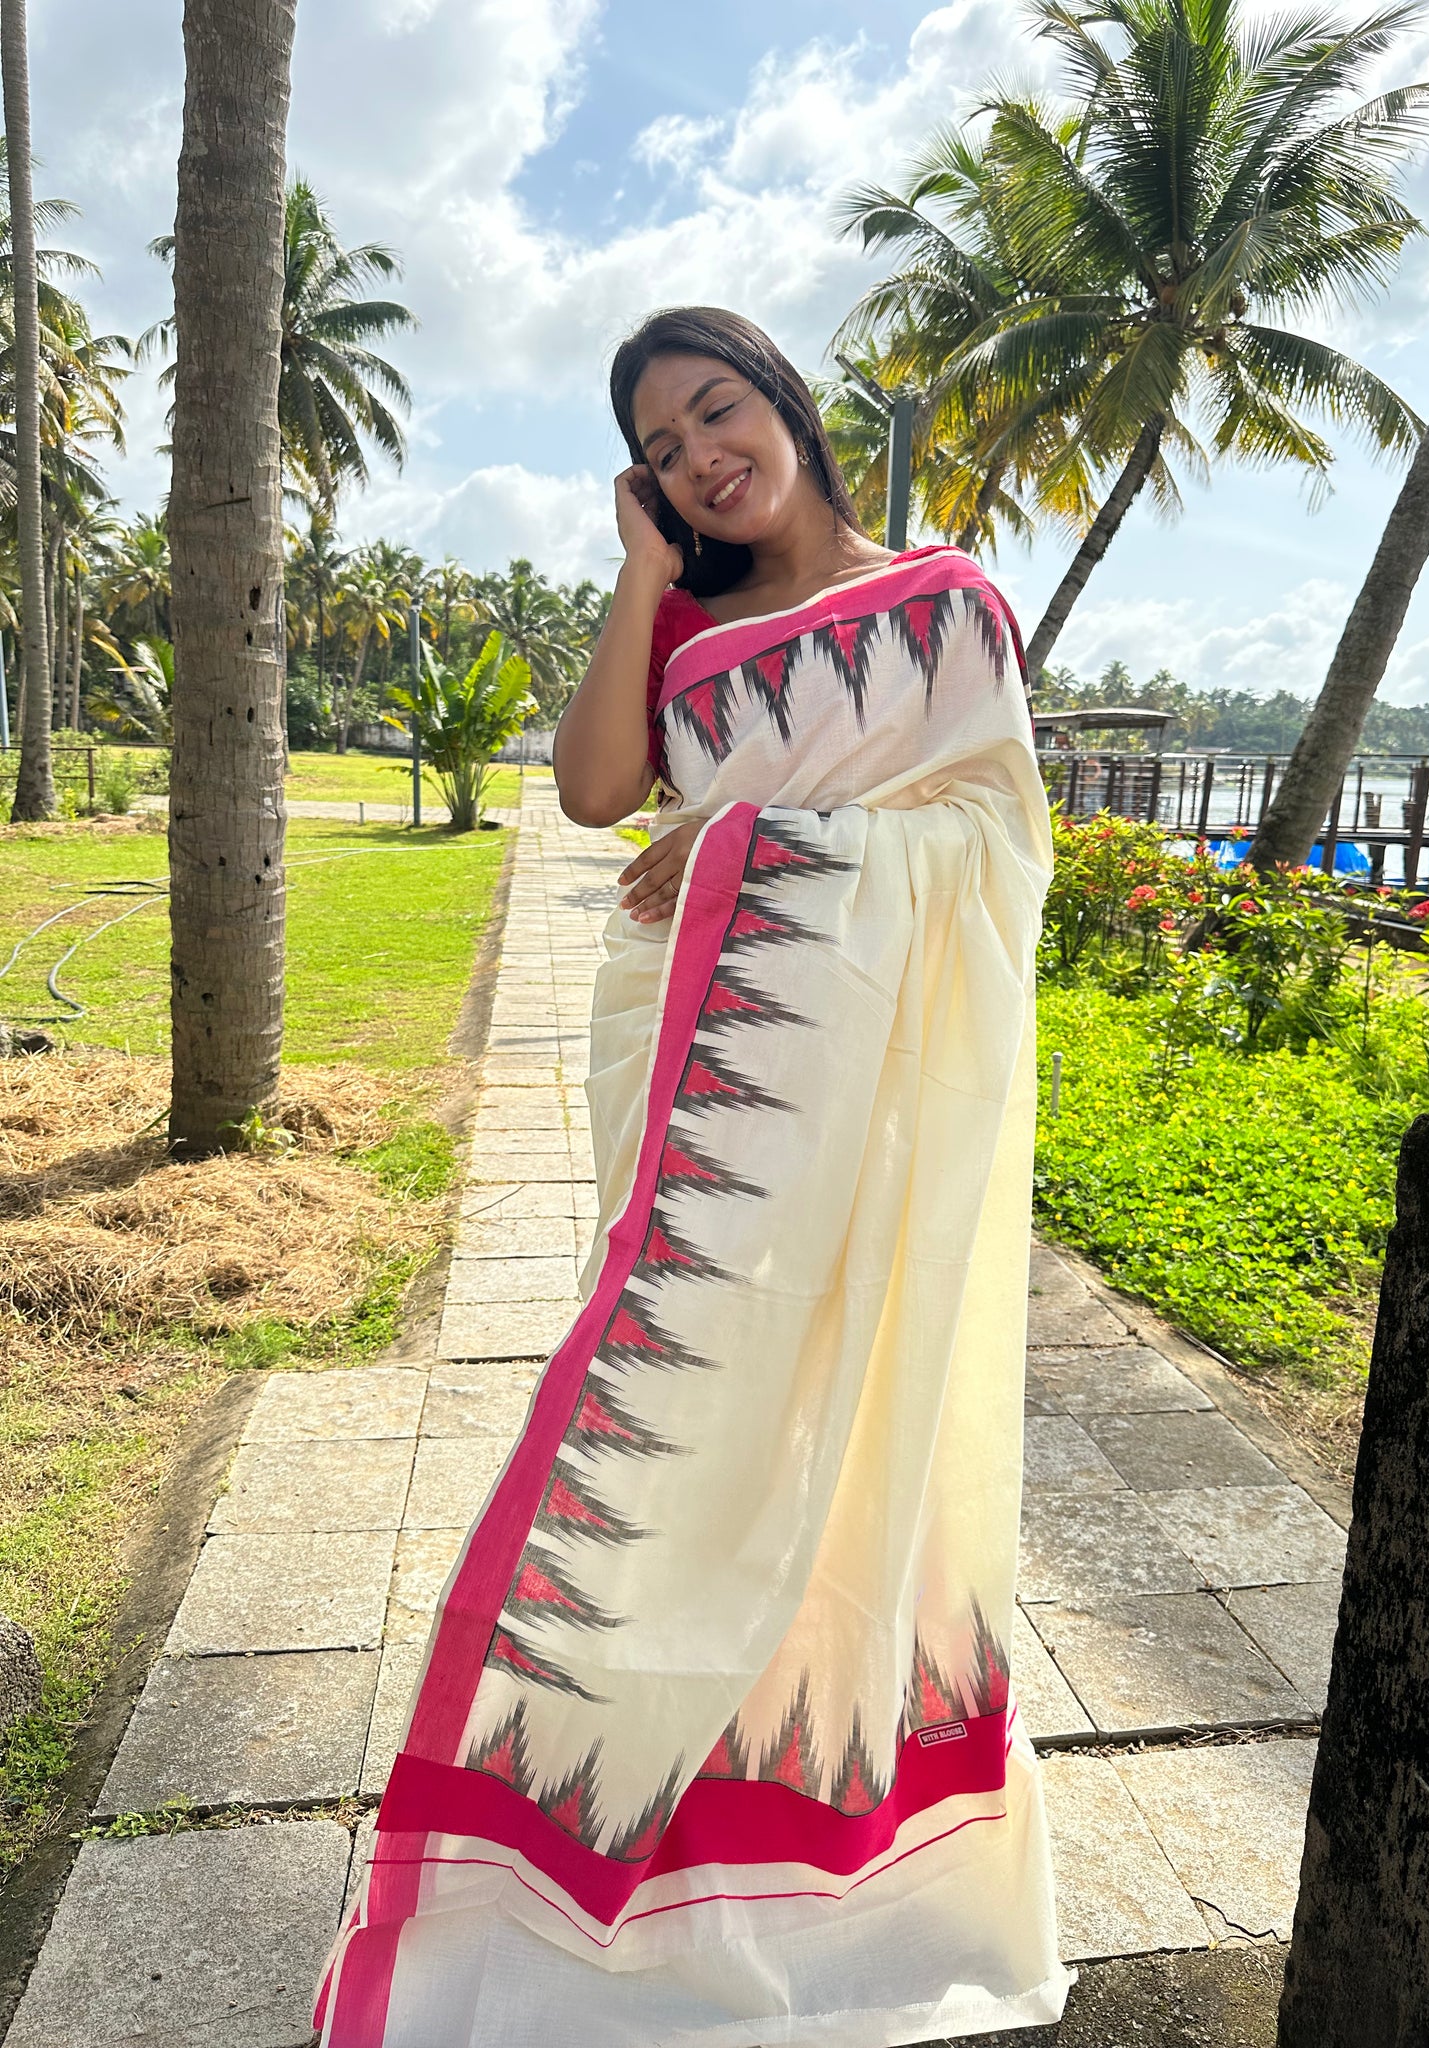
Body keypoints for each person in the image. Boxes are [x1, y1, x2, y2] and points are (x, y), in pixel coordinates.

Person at [316, 306, 1068, 2047]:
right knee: (675, 1425)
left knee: (852, 1424)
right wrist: (644, 571)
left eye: (717, 412)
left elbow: (995, 844)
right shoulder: (687, 625)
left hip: (863, 1093)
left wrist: (763, 840)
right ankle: (607, 1808)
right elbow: (594, 792)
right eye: (660, 448)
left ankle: (826, 1839)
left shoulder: (945, 606)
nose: (700, 456)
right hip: (701, 1102)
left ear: (785, 401)